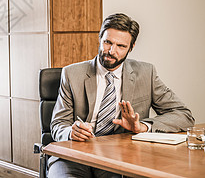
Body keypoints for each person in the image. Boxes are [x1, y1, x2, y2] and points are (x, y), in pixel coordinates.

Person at [48, 13, 194, 178]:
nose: (111, 51)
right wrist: (70, 132)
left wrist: (142, 127)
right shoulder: (72, 74)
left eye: (121, 46)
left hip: (119, 158)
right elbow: (58, 123)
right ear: (100, 38)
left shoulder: (146, 74)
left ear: (131, 48)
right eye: (107, 42)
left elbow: (183, 115)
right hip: (74, 155)